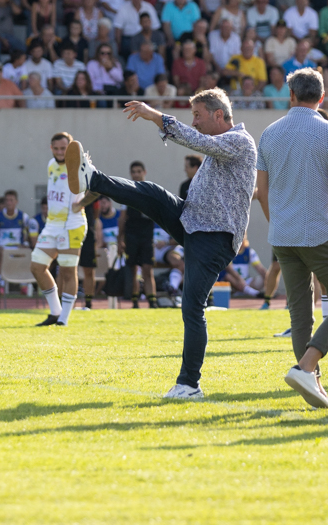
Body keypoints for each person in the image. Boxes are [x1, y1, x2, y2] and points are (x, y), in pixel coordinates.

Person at [65, 90, 257, 400]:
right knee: (152, 192)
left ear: (218, 115)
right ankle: (93, 178)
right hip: (193, 223)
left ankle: (190, 385)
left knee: (192, 307)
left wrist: (154, 115)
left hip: (214, 237)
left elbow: (200, 142)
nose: (194, 122)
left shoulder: (240, 141)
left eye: (198, 115)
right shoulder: (225, 144)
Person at [255, 69, 328, 408]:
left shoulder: (269, 133)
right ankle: (306, 368)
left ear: (290, 94)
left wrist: (277, 224)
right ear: (321, 98)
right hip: (319, 232)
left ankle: (313, 381)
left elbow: (261, 192)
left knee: (300, 312)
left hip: (282, 235)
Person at [30, 133, 89, 326]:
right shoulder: (50, 164)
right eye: (56, 148)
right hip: (52, 224)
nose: (59, 152)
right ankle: (55, 311)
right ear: (51, 148)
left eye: (63, 148)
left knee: (67, 271)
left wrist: (81, 204)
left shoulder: (81, 163)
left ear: (70, 148)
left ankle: (63, 319)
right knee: (37, 266)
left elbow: (97, 187)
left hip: (73, 224)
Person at [117, 160, 160, 308]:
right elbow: (122, 218)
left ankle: (152, 301)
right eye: (133, 172)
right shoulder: (127, 191)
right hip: (131, 235)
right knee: (133, 268)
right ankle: (135, 300)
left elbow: (158, 214)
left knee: (148, 268)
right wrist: (119, 239)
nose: (136, 175)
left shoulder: (150, 190)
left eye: (138, 172)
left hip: (146, 235)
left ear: (144, 172)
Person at [0, 190, 38, 296]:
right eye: (7, 200)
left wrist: (25, 242)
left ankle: (24, 284)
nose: (9, 202)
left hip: (17, 247)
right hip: (1, 247)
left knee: (26, 251)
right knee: (2, 252)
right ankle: (1, 283)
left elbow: (29, 232)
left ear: (16, 202)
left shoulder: (23, 216)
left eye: (11, 200)